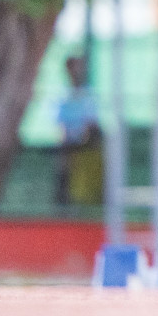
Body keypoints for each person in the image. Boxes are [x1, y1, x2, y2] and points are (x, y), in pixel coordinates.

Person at [55, 54, 102, 205]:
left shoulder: (88, 95)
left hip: (85, 143)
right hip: (70, 144)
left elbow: (92, 124)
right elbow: (62, 127)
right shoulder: (64, 95)